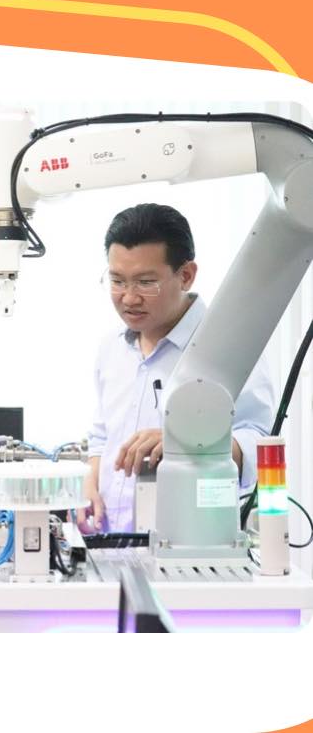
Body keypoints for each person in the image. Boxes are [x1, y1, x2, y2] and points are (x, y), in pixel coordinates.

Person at [77, 203, 276, 534]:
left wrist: (185, 444)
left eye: (145, 282)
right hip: (111, 542)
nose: (129, 298)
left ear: (186, 275)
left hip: (191, 542)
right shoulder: (111, 348)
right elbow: (101, 438)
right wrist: (90, 485)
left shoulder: (228, 347)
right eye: (117, 281)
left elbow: (258, 443)